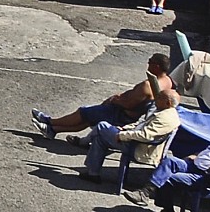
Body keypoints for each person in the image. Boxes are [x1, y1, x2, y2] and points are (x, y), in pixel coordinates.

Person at [34, 53, 175, 144]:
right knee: (88, 119)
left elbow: (130, 104)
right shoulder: (168, 82)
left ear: (156, 66)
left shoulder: (147, 85)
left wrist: (115, 99)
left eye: (150, 62)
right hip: (126, 115)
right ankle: (53, 129)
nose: (148, 64)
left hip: (120, 115)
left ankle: (50, 121)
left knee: (84, 112)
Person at [134, 114, 210, 212]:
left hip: (209, 179)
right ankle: (145, 192)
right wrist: (195, 155)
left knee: (168, 178)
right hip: (194, 166)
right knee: (169, 162)